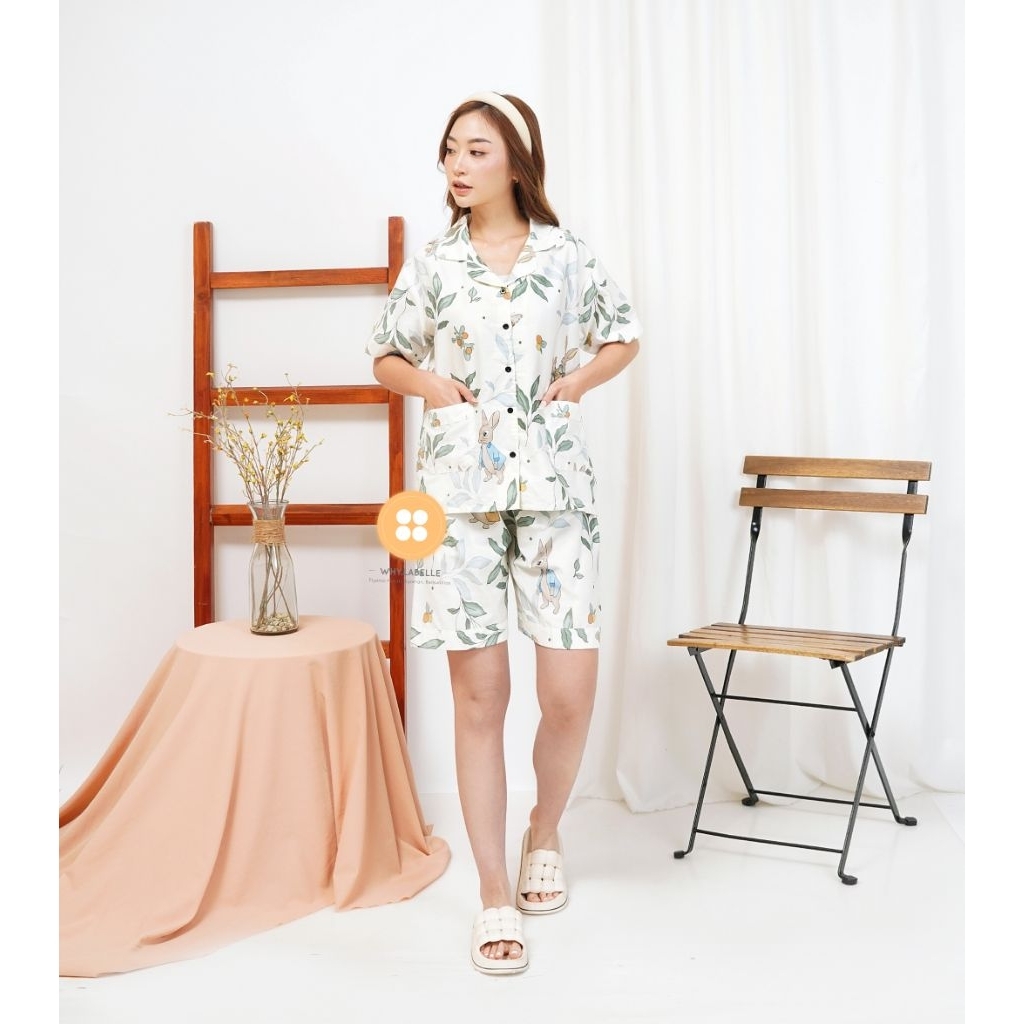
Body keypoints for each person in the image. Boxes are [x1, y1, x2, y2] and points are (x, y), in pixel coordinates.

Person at [366, 91, 641, 975]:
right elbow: (386, 352)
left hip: (557, 492)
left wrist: (577, 384)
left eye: (476, 150)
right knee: (480, 700)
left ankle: (543, 830)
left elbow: (624, 335)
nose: (457, 164)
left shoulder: (567, 255)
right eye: (450, 148)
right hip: (458, 499)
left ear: (517, 163)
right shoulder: (434, 264)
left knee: (568, 692)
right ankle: (493, 890)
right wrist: (432, 388)